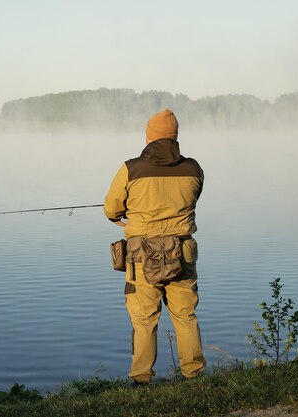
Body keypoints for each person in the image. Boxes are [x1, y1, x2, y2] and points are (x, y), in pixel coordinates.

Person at [104, 109, 205, 383]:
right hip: (182, 253)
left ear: (149, 137)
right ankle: (193, 374)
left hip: (141, 257)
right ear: (175, 137)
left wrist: (121, 217)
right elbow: (193, 198)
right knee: (185, 315)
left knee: (144, 318)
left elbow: (111, 208)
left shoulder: (131, 169)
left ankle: (141, 379)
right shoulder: (193, 169)